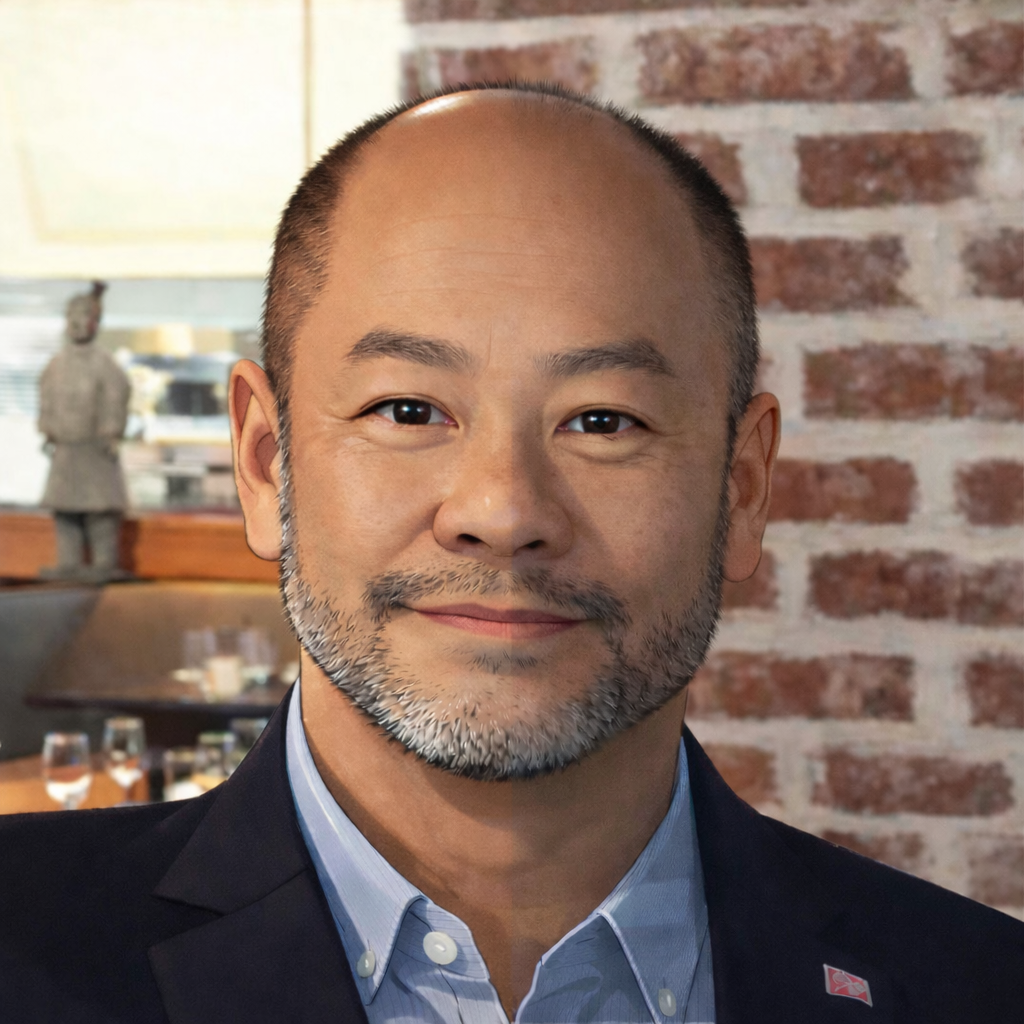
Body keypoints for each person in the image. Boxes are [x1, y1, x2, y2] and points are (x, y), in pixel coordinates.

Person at [1, 84, 1019, 1023]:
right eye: (407, 409)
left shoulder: (974, 986)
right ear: (266, 464)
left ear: (742, 486)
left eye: (604, 420)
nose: (501, 509)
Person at [37, 280, 131, 582]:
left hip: (95, 449)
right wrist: (48, 429)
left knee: (99, 513)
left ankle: (104, 564)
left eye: (83, 316)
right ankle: (69, 564)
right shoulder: (56, 363)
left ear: (95, 322)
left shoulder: (104, 363)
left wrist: (111, 432)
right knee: (65, 513)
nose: (77, 323)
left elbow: (116, 396)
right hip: (65, 450)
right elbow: (46, 397)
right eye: (71, 316)